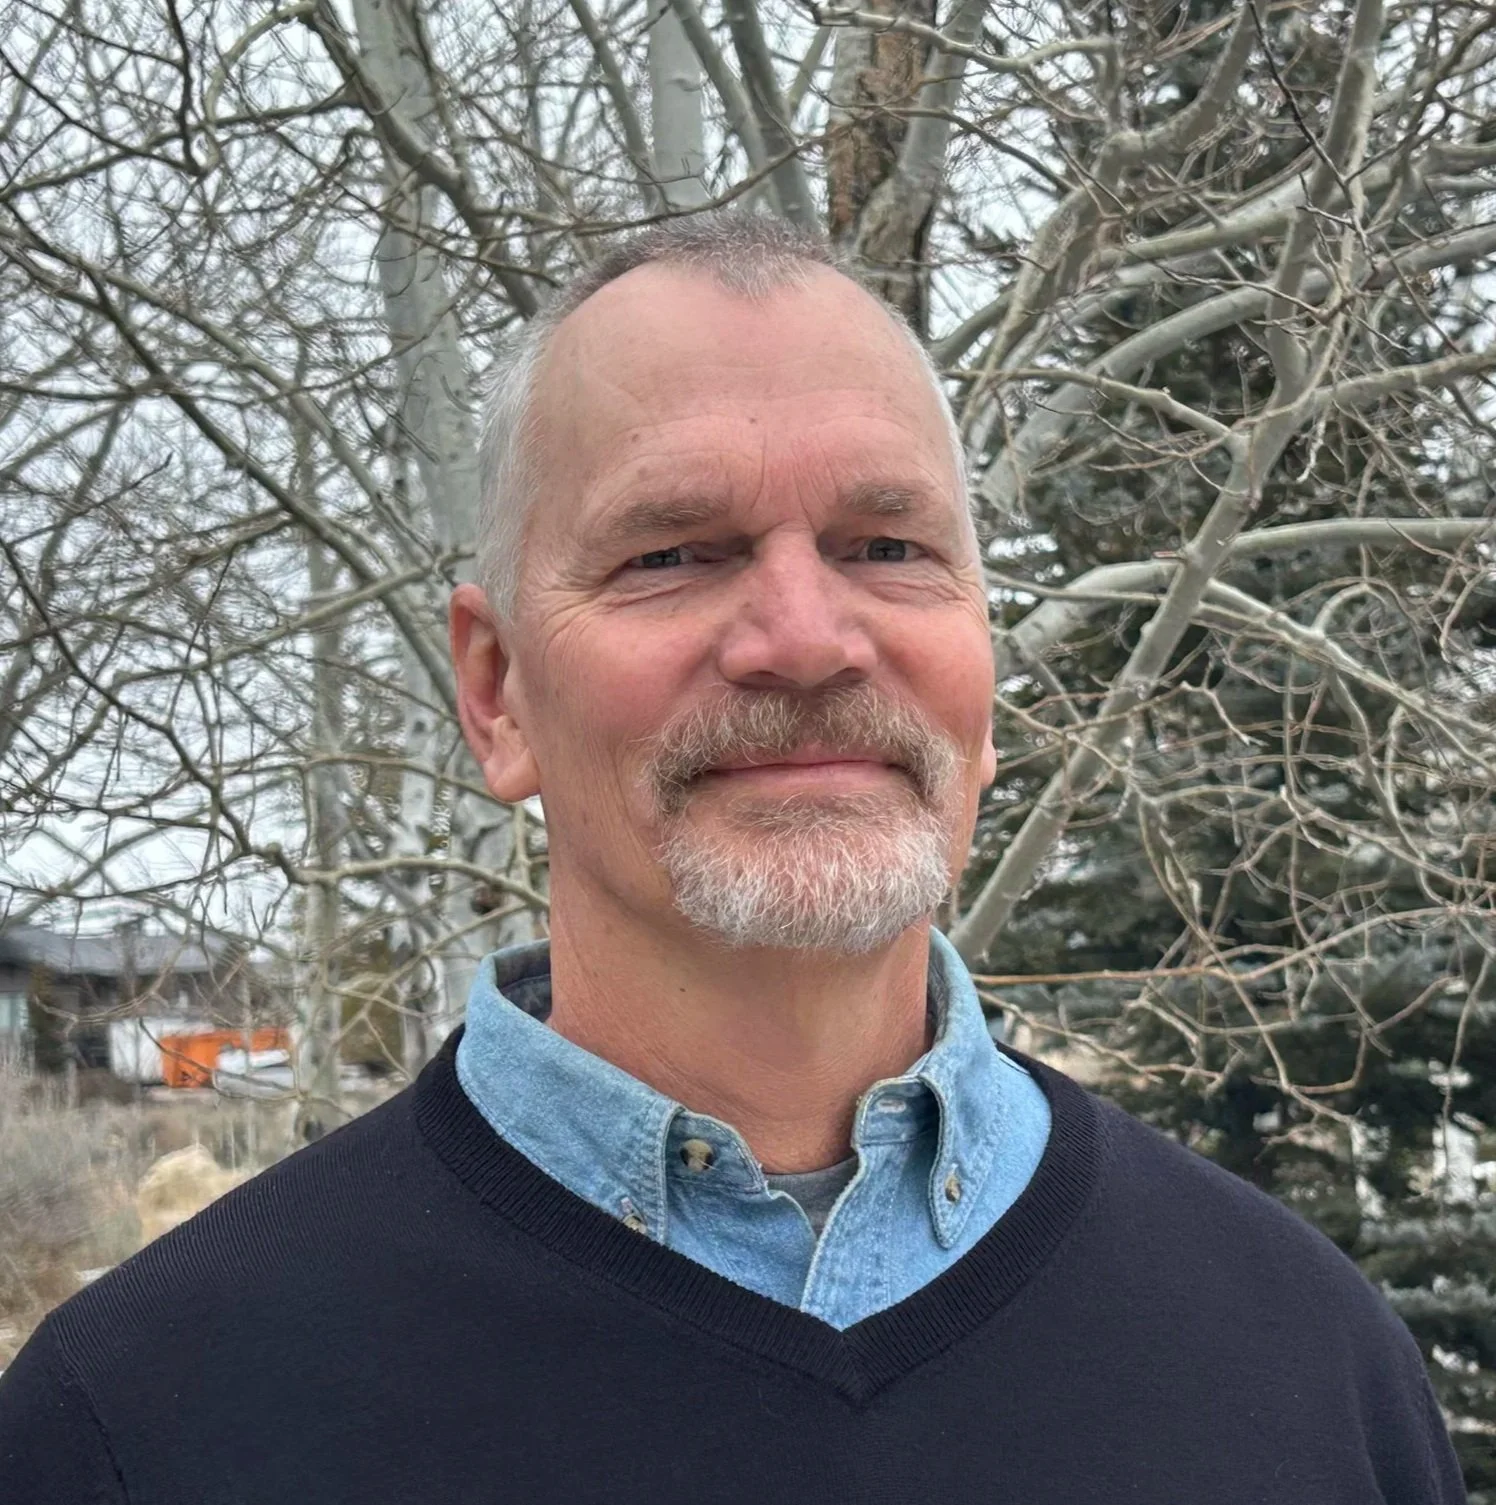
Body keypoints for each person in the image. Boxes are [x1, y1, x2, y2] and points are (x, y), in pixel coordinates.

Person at [0, 214, 1465, 1503]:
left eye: (887, 544)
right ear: (497, 690)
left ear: (987, 666)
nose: (809, 639)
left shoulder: (1313, 1366)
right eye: (673, 553)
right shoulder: (139, 1426)